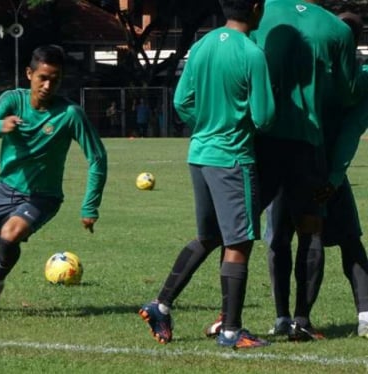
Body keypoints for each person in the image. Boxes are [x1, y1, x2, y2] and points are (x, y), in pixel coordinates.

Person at [138, 0, 275, 348]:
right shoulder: (252, 54)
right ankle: (231, 330)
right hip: (232, 158)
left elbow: (183, 102)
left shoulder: (202, 44)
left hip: (200, 154)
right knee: (239, 242)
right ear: (257, 7)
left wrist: (209, 124)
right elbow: (264, 117)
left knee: (210, 236)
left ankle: (160, 304)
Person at [0, 45, 107, 312]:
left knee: (10, 233)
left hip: (43, 196)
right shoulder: (12, 100)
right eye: (43, 78)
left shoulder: (70, 114)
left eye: (55, 79)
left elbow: (97, 158)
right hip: (5, 189)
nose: (49, 85)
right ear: (29, 74)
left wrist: (89, 206)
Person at [261, 11, 368, 340]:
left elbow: (351, 128)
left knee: (292, 237)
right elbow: (351, 131)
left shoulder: (351, 77)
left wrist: (333, 176)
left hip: (319, 164)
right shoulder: (329, 71)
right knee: (331, 238)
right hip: (319, 162)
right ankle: (296, 318)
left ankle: (290, 317)